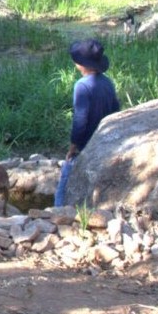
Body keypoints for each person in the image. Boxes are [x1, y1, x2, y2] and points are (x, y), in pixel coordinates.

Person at [53, 38, 121, 207]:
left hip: (86, 143)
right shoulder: (107, 82)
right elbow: (116, 110)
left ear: (81, 64)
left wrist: (73, 146)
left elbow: (80, 120)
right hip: (104, 140)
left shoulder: (82, 86)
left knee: (66, 177)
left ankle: (57, 210)